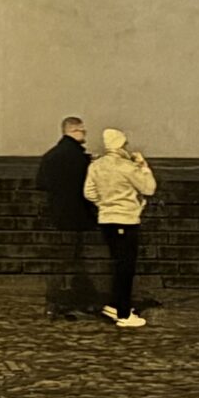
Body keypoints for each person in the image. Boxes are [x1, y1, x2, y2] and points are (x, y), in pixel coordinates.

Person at [86, 127, 158, 328]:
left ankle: (115, 304)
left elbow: (89, 192)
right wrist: (143, 166)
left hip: (106, 219)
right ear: (120, 145)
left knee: (118, 263)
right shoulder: (126, 167)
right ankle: (124, 314)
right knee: (126, 266)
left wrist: (104, 205)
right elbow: (149, 188)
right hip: (126, 219)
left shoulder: (96, 166)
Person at [34, 117, 94, 319]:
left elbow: (41, 183)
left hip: (57, 215)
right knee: (76, 260)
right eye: (82, 131)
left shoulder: (51, 156)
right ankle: (74, 299)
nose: (84, 135)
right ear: (74, 130)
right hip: (77, 216)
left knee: (59, 261)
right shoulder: (81, 159)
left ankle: (55, 301)